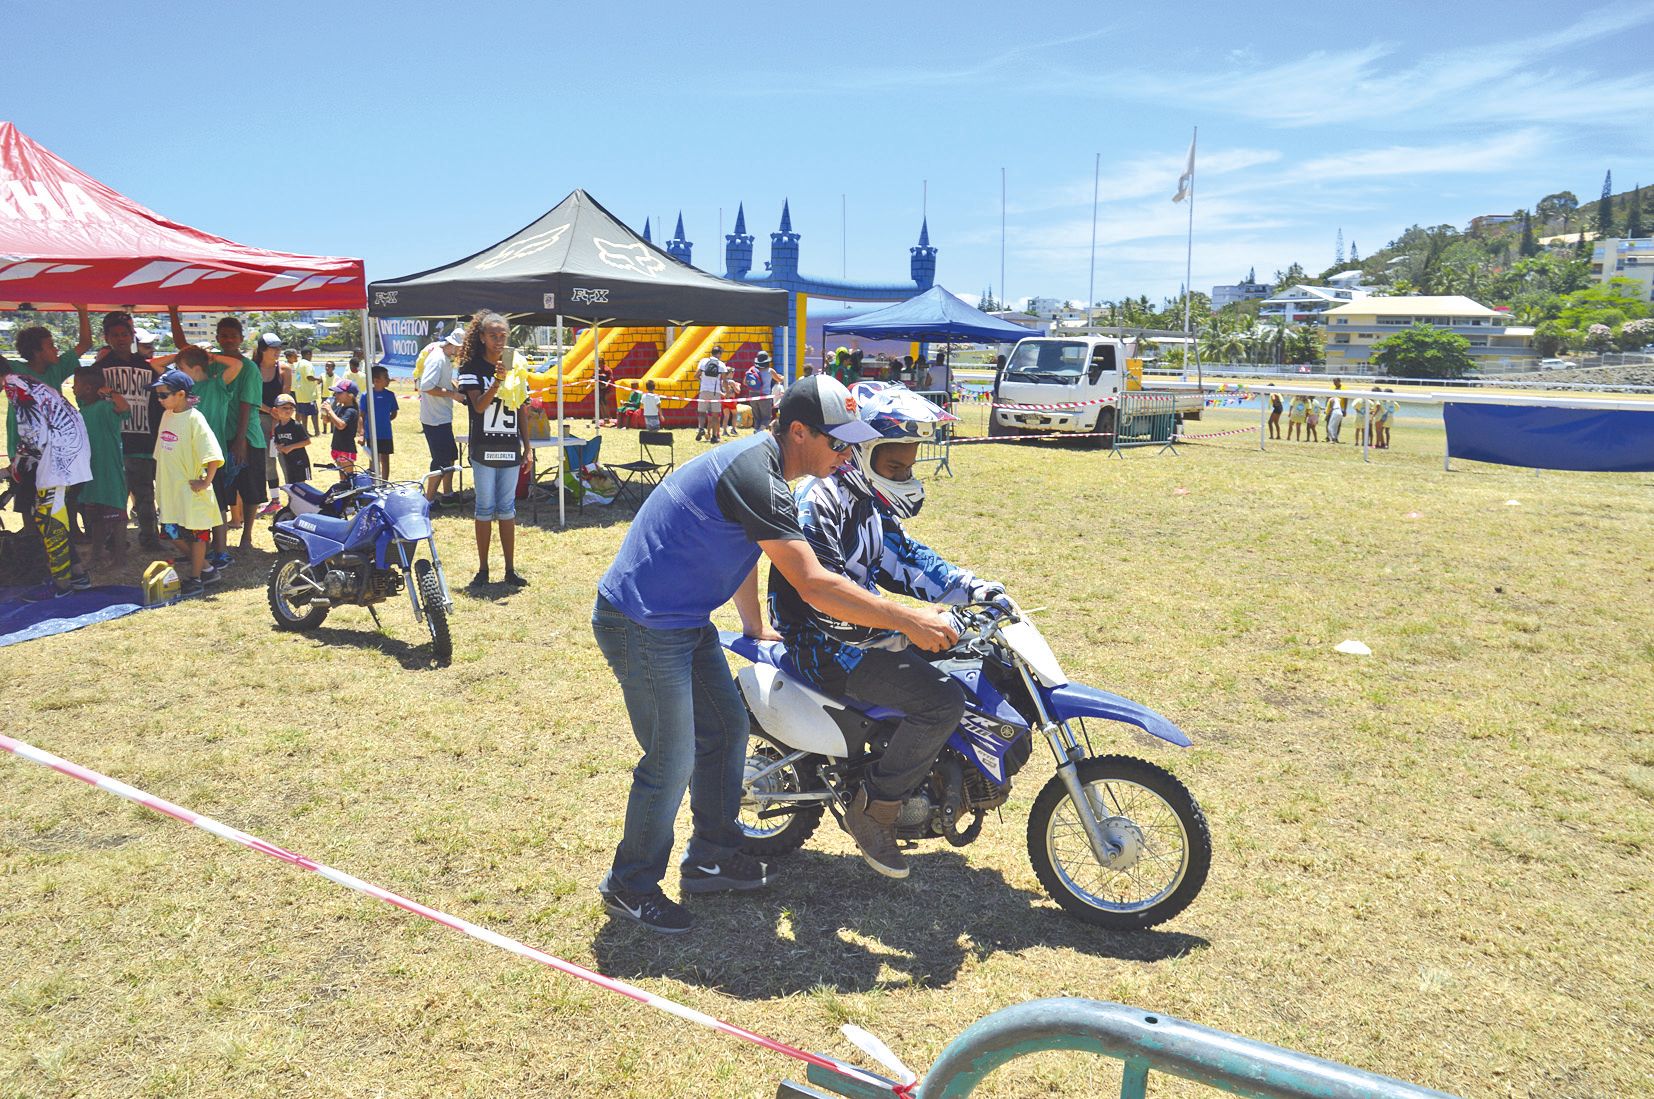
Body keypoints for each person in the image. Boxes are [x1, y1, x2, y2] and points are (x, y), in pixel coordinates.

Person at [590, 374, 956, 933]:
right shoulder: (757, 475)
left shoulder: (770, 474)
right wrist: (907, 618)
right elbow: (813, 583)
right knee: (671, 758)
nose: (847, 455)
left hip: (681, 623)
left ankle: (711, 858)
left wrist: (753, 624)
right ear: (800, 432)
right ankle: (630, 885)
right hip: (642, 623)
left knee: (727, 731)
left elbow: (748, 548)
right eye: (838, 444)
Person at [768, 382, 999, 878]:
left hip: (865, 631)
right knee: (940, 701)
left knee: (976, 666)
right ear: (861, 452)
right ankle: (875, 810)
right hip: (824, 645)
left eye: (909, 466)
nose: (905, 476)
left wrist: (971, 588)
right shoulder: (819, 503)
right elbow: (825, 604)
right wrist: (902, 628)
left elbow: (906, 558)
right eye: (894, 466)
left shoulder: (863, 500)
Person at [2, 350, 93, 600]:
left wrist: (16, 467)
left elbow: (33, 434)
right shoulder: (23, 382)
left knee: (50, 519)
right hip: (64, 452)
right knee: (52, 516)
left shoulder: (15, 387)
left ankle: (61, 585)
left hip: (59, 456)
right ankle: (77, 574)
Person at [153, 326, 244, 567]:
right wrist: (183, 355)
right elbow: (154, 364)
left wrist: (209, 357)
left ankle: (221, 551)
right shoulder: (181, 391)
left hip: (210, 457)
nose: (176, 371)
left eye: (181, 369)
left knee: (217, 508)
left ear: (195, 369)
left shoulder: (216, 385)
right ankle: (201, 553)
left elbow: (236, 366)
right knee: (195, 510)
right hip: (186, 460)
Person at [455, 312, 531, 589]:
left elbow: (523, 408)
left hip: (510, 447)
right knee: (485, 508)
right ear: (482, 337)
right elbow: (478, 406)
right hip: (484, 448)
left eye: (504, 336)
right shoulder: (470, 367)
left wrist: (528, 446)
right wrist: (498, 380)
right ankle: (483, 569)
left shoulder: (517, 366)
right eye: (494, 335)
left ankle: (510, 569)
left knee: (507, 509)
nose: (499, 341)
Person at [95, 310, 166, 552]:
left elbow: (161, 402)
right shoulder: (100, 368)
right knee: (116, 496)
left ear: (132, 335)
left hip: (144, 440)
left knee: (146, 494)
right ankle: (114, 541)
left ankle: (150, 538)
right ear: (107, 337)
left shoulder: (147, 367)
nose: (120, 338)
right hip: (114, 441)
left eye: (124, 334)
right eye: (114, 335)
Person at [151, 368, 224, 598]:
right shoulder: (167, 416)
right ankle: (206, 568)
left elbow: (212, 454)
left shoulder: (195, 419)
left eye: (164, 395)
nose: (160, 399)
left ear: (181, 394)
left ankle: (195, 578)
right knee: (171, 532)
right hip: (169, 490)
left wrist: (205, 482)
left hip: (191, 491)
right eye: (158, 395)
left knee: (197, 534)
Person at [70, 364, 130, 568]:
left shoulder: (105, 407)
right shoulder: (83, 409)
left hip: (109, 469)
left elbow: (124, 408)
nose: (72, 387)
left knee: (116, 514)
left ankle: (120, 558)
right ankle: (97, 553)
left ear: (88, 388)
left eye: (76, 384)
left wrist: (111, 392)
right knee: (94, 514)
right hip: (90, 469)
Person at [417, 328, 465, 503]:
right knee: (440, 460)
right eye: (461, 349)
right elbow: (427, 386)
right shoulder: (438, 359)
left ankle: (448, 494)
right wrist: (453, 395)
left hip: (442, 416)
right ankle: (428, 500)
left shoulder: (444, 357)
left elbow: (441, 381)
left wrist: (455, 386)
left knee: (451, 454)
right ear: (454, 346)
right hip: (435, 419)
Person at [321, 379, 361, 480]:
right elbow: (327, 421)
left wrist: (330, 411)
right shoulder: (340, 408)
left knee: (348, 478)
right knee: (342, 477)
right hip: (337, 447)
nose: (335, 395)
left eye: (339, 393)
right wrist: (324, 412)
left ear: (350, 395)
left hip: (346, 449)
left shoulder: (351, 411)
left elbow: (341, 425)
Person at [363, 365, 398, 480]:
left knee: (385, 459)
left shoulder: (390, 395)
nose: (388, 379)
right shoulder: (366, 396)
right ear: (376, 380)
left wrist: (385, 420)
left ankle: (384, 482)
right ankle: (373, 481)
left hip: (386, 433)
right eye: (386, 377)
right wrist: (362, 432)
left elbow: (394, 413)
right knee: (373, 459)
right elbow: (362, 415)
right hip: (371, 434)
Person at [270, 394, 312, 486]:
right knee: (291, 485)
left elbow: (307, 441)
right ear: (276, 410)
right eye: (284, 408)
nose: (288, 410)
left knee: (301, 486)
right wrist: (278, 447)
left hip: (300, 461)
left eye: (291, 408)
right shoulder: (277, 428)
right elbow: (277, 442)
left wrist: (290, 447)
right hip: (288, 462)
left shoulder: (296, 425)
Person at [695, 344, 725, 442]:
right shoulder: (721, 364)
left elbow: (696, 375)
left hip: (703, 390)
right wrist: (727, 392)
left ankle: (701, 428)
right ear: (719, 354)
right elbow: (724, 381)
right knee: (715, 416)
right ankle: (714, 436)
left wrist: (702, 381)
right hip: (715, 392)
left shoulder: (703, 361)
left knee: (701, 412)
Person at [295, 348, 322, 435]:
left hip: (300, 393)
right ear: (308, 354)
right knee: (314, 413)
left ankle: (305, 431)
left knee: (303, 414)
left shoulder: (298, 363)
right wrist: (318, 379)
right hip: (308, 394)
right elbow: (309, 377)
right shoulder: (307, 364)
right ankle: (317, 431)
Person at [720, 370, 742, 439]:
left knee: (726, 416)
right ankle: (733, 429)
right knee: (735, 414)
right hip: (731, 400)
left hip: (724, 399)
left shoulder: (722, 381)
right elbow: (738, 391)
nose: (733, 374)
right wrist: (738, 385)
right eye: (732, 373)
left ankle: (724, 431)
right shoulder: (731, 382)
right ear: (730, 373)